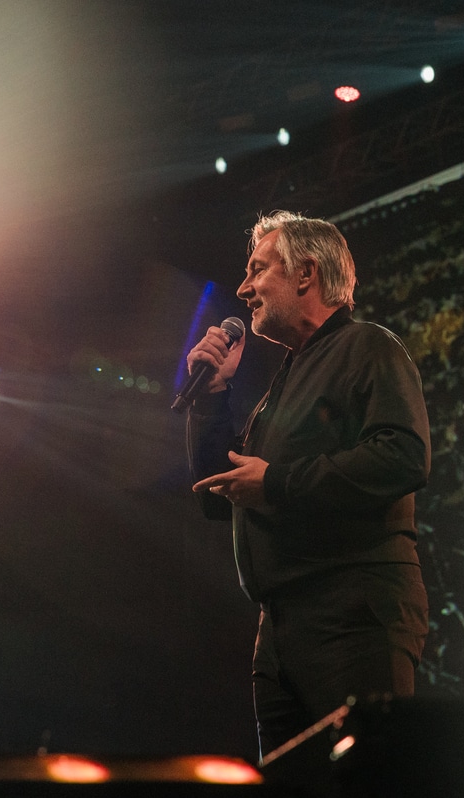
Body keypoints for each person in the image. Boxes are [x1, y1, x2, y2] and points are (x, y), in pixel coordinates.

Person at [185, 211, 431, 761]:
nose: (243, 288)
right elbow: (217, 494)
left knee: (365, 780)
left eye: (258, 269)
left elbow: (403, 457)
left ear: (305, 273)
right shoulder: (286, 381)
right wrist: (212, 398)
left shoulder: (368, 346)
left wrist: (276, 482)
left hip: (352, 613)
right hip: (279, 628)